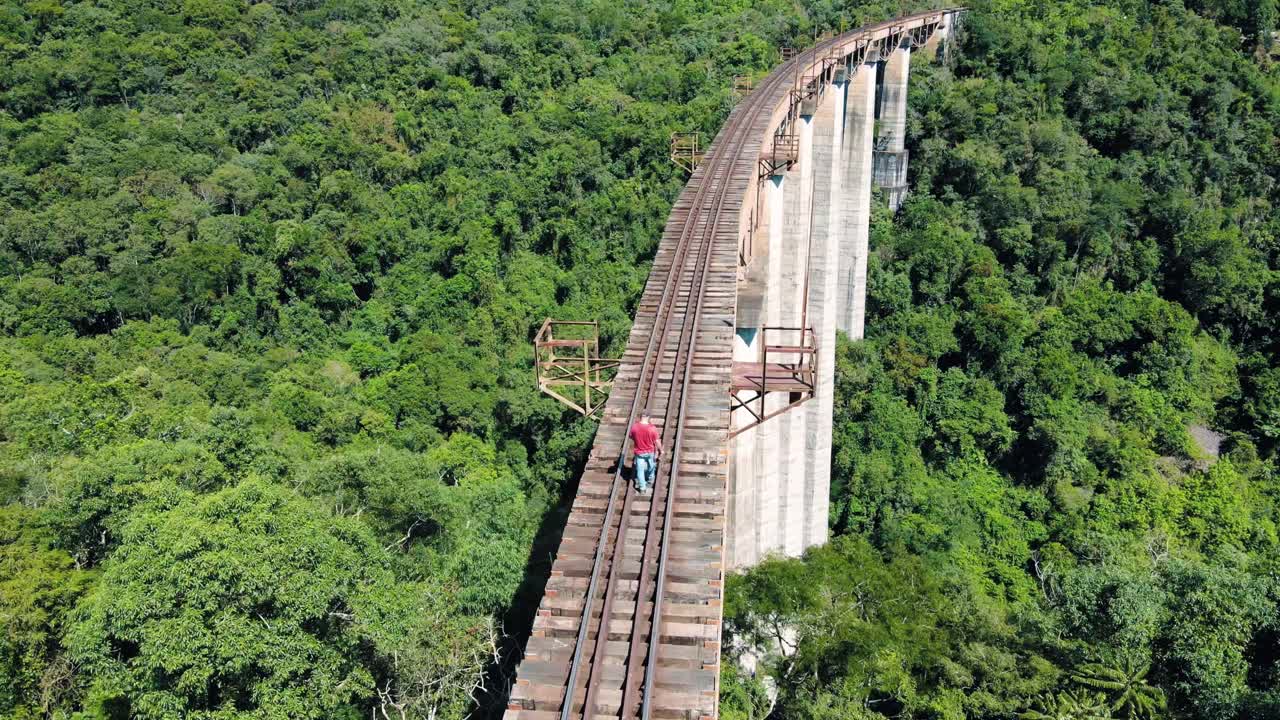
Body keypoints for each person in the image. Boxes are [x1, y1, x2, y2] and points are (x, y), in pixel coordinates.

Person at [628, 410, 662, 495]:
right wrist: (661, 450)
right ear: (648, 417)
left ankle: (642, 488)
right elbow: (657, 441)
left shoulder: (634, 427)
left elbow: (631, 436)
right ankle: (650, 479)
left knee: (640, 470)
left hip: (639, 452)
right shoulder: (652, 428)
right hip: (650, 451)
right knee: (651, 466)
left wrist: (638, 441)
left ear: (641, 417)